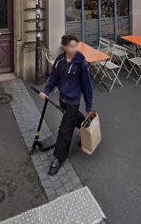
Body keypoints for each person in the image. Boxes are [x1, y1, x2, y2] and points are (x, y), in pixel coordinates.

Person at [39, 35, 93, 176]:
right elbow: (53, 79)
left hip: (74, 101)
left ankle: (58, 158)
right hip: (63, 99)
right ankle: (87, 126)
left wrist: (88, 106)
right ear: (64, 46)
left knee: (64, 130)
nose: (74, 49)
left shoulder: (81, 62)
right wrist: (46, 91)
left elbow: (87, 86)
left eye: (76, 46)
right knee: (73, 119)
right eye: (72, 46)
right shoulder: (60, 61)